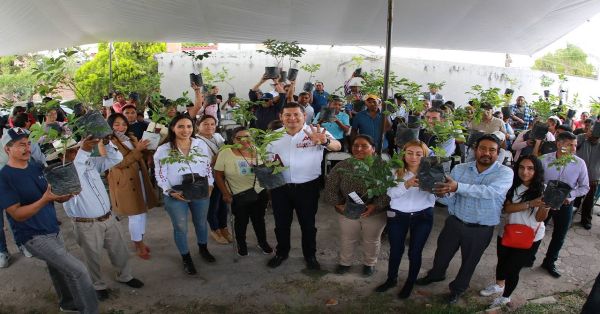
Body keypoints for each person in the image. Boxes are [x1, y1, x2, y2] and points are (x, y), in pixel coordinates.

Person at [0, 127, 98, 313]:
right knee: (79, 271)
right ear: (7, 149)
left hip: (52, 228)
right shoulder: (4, 178)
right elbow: (17, 214)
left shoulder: (36, 167)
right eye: (21, 145)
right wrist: (44, 200)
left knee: (58, 269)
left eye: (29, 144)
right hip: (32, 236)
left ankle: (67, 304)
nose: (27, 148)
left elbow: (54, 194)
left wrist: (66, 196)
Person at [416, 134, 513, 304]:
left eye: (492, 150)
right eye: (483, 148)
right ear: (475, 150)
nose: (487, 153)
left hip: (481, 228)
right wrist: (436, 192)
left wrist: (458, 187)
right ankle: (436, 275)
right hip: (455, 222)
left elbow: (490, 192)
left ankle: (457, 289)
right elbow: (451, 197)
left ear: (498, 153)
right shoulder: (460, 168)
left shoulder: (505, 173)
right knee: (442, 254)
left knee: (469, 262)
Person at [61, 136, 145, 301]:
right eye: (72, 151)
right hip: (86, 225)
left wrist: (107, 142)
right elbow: (75, 171)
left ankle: (125, 276)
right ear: (61, 155)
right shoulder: (64, 172)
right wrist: (84, 150)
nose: (77, 152)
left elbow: (116, 158)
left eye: (77, 148)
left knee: (119, 250)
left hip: (108, 218)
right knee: (92, 256)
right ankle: (97, 285)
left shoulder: (89, 161)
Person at [266, 103, 341, 269]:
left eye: (296, 115)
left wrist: (325, 141)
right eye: (287, 115)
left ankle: (310, 256)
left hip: (308, 188)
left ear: (304, 116)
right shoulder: (272, 136)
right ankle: (281, 252)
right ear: (281, 117)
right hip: (280, 187)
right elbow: (265, 159)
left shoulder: (315, 131)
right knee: (281, 223)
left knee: (308, 224)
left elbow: (337, 146)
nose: (292, 118)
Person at [479, 155, 550, 308]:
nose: (525, 172)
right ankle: (499, 285)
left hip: (530, 237)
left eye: (530, 168)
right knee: (502, 262)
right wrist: (530, 203)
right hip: (507, 232)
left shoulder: (543, 190)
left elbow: (539, 218)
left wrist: (546, 205)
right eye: (522, 167)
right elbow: (507, 208)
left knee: (513, 269)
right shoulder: (511, 184)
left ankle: (506, 297)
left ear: (537, 171)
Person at [374, 140, 436, 298]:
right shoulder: (394, 170)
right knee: (396, 250)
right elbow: (391, 194)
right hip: (398, 215)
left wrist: (434, 187)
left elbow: (439, 196)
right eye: (410, 153)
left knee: (415, 252)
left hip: (423, 215)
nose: (414, 157)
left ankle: (410, 282)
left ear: (425, 155)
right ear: (403, 154)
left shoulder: (432, 171)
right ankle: (391, 279)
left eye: (418, 154)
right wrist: (406, 185)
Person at [154, 114, 215, 275]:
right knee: (180, 227)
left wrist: (210, 184)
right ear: (173, 128)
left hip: (200, 189)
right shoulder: (164, 149)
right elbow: (160, 174)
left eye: (188, 126)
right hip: (176, 192)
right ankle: (186, 257)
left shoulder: (199, 144)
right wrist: (169, 191)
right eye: (180, 126)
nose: (185, 130)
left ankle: (203, 248)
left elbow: (207, 166)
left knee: (201, 222)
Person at [324, 135, 389, 277]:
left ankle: (369, 264)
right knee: (348, 238)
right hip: (347, 212)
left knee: (372, 240)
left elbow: (389, 191)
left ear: (373, 149)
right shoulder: (342, 166)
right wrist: (339, 204)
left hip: (374, 213)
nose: (359, 149)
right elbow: (330, 188)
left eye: (364, 146)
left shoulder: (382, 167)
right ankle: (345, 263)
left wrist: (376, 206)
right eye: (355, 146)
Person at [213, 126, 273, 256]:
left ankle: (262, 242)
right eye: (239, 138)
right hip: (238, 194)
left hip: (258, 192)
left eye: (247, 137)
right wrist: (225, 193)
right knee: (241, 221)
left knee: (259, 220)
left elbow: (264, 173)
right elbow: (218, 174)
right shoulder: (225, 153)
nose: (243, 140)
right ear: (233, 140)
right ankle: (241, 243)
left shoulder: (258, 151)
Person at [537, 131, 589, 277]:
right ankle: (529, 257)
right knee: (537, 229)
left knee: (560, 235)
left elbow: (585, 187)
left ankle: (549, 262)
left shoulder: (579, 163)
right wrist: (544, 191)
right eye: (569, 145)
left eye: (575, 145)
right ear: (559, 144)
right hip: (544, 202)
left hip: (565, 204)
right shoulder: (544, 160)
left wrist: (570, 195)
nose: (573, 149)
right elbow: (536, 181)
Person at [107, 113, 158, 260]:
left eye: (123, 124)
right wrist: (138, 149)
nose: (121, 127)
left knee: (142, 210)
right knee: (135, 214)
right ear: (110, 126)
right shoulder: (109, 142)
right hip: (125, 181)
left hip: (138, 177)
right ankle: (139, 244)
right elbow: (119, 164)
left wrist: (149, 145)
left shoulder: (129, 137)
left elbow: (140, 154)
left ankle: (139, 240)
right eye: (116, 124)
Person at [196, 115, 231, 245]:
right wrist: (222, 152)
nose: (209, 127)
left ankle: (224, 227)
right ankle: (215, 229)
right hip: (209, 177)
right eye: (205, 124)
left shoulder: (217, 136)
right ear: (198, 125)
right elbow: (205, 163)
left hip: (222, 175)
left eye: (212, 124)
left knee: (223, 203)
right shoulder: (196, 141)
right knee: (213, 205)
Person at [575, 127, 600, 229]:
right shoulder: (581, 138)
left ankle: (586, 220)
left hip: (593, 178)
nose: (592, 133)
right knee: (574, 198)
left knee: (589, 201)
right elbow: (572, 145)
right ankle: (568, 216)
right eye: (591, 130)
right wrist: (585, 136)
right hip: (576, 175)